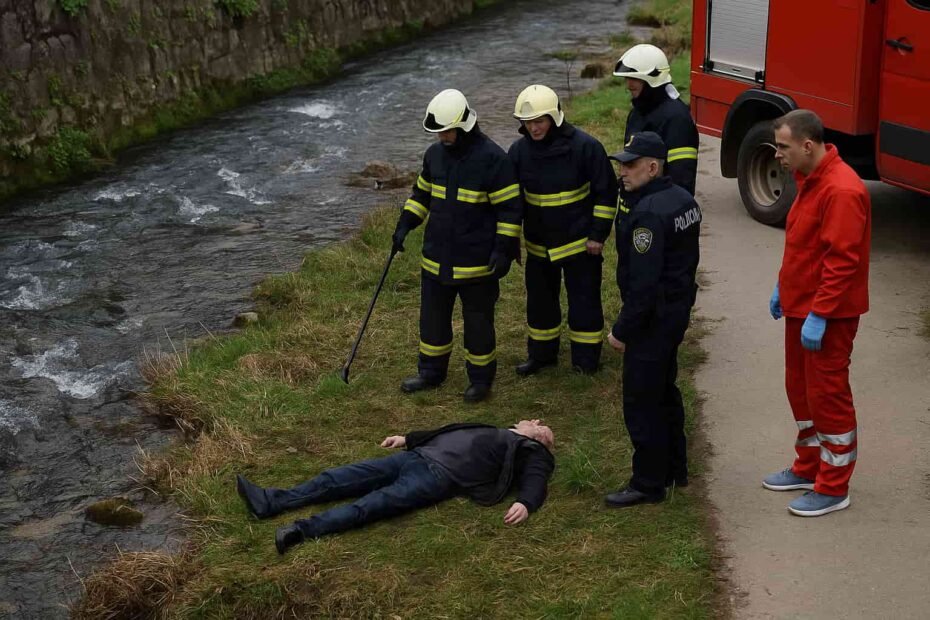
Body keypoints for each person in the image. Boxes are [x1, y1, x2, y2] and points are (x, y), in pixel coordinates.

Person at [763, 109, 871, 517]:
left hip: (828, 313)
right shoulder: (810, 179)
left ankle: (833, 486)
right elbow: (803, 244)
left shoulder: (842, 190)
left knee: (827, 396)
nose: (777, 155)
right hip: (802, 305)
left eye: (783, 147)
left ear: (807, 146)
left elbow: (841, 260)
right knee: (801, 390)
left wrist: (821, 312)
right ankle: (809, 466)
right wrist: (783, 285)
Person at [235, 420, 555, 554]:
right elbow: (447, 431)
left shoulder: (530, 449)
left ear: (538, 438)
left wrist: (526, 502)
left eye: (541, 426)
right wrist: (407, 439)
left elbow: (537, 475)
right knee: (336, 478)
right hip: (415, 455)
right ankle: (270, 501)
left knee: (372, 504)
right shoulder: (496, 430)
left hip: (436, 477)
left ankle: (300, 531)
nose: (535, 421)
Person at [391, 89, 523, 403]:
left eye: (447, 131)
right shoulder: (434, 155)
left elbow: (509, 210)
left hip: (477, 262)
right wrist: (405, 224)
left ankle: (480, 380)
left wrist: (503, 250)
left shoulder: (493, 159)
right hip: (436, 258)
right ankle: (430, 373)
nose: (442, 137)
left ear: (464, 125)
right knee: (432, 320)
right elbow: (422, 195)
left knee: (478, 323)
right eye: (438, 132)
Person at [604, 131, 701, 508]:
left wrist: (621, 330)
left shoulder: (647, 213)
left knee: (642, 401)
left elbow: (644, 285)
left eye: (630, 164)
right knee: (665, 391)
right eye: (621, 164)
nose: (623, 172)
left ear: (653, 166)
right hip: (676, 311)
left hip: (653, 319)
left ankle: (647, 482)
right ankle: (675, 467)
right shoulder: (683, 200)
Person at [508, 84, 618, 376]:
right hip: (538, 245)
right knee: (540, 304)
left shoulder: (586, 147)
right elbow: (511, 201)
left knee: (584, 302)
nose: (533, 128)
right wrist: (510, 240)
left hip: (580, 244)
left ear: (554, 117)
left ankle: (586, 359)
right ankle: (542, 355)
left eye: (539, 121)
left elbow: (606, 194)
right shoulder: (518, 152)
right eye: (528, 122)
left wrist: (597, 235)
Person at [613, 44, 699, 197]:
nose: (628, 84)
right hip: (636, 209)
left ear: (652, 78)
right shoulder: (637, 112)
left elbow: (682, 178)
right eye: (627, 78)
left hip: (658, 212)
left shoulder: (677, 118)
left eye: (634, 78)